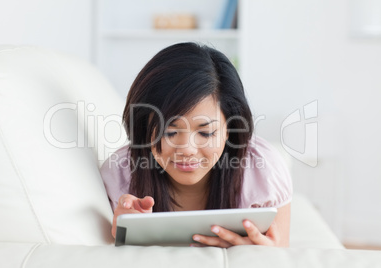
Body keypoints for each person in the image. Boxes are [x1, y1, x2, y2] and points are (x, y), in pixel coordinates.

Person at [100, 42, 292, 247]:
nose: (187, 149)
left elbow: (281, 250)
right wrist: (122, 238)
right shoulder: (121, 175)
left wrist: (264, 257)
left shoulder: (264, 173)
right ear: (144, 128)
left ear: (230, 129)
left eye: (205, 132)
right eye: (170, 132)